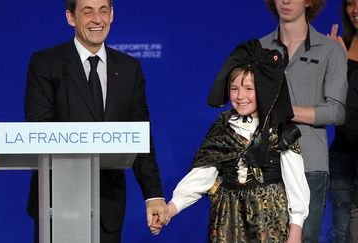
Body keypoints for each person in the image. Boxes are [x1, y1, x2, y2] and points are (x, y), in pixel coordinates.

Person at [24, 0, 168, 242]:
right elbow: (39, 128)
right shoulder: (46, 63)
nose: (97, 19)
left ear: (112, 15)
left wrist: (153, 195)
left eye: (103, 10)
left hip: (107, 205)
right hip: (58, 204)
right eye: (87, 11)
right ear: (71, 17)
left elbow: (140, 137)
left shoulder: (129, 68)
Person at [151, 39, 310, 242]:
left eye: (248, 88)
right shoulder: (223, 127)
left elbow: (295, 182)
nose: (240, 96)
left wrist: (296, 229)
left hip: (269, 220)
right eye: (234, 89)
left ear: (262, 90)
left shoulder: (280, 131)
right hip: (228, 219)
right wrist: (170, 210)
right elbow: (202, 175)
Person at [261, 0, 348, 241]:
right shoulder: (260, 49)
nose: (285, 1)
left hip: (309, 164)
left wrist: (287, 111)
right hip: (265, 163)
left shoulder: (330, 50)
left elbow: (336, 112)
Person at [328, 1, 358, 242]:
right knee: (341, 227)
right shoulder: (342, 45)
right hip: (342, 150)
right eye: (350, 3)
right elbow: (332, 99)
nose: (355, 10)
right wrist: (336, 61)